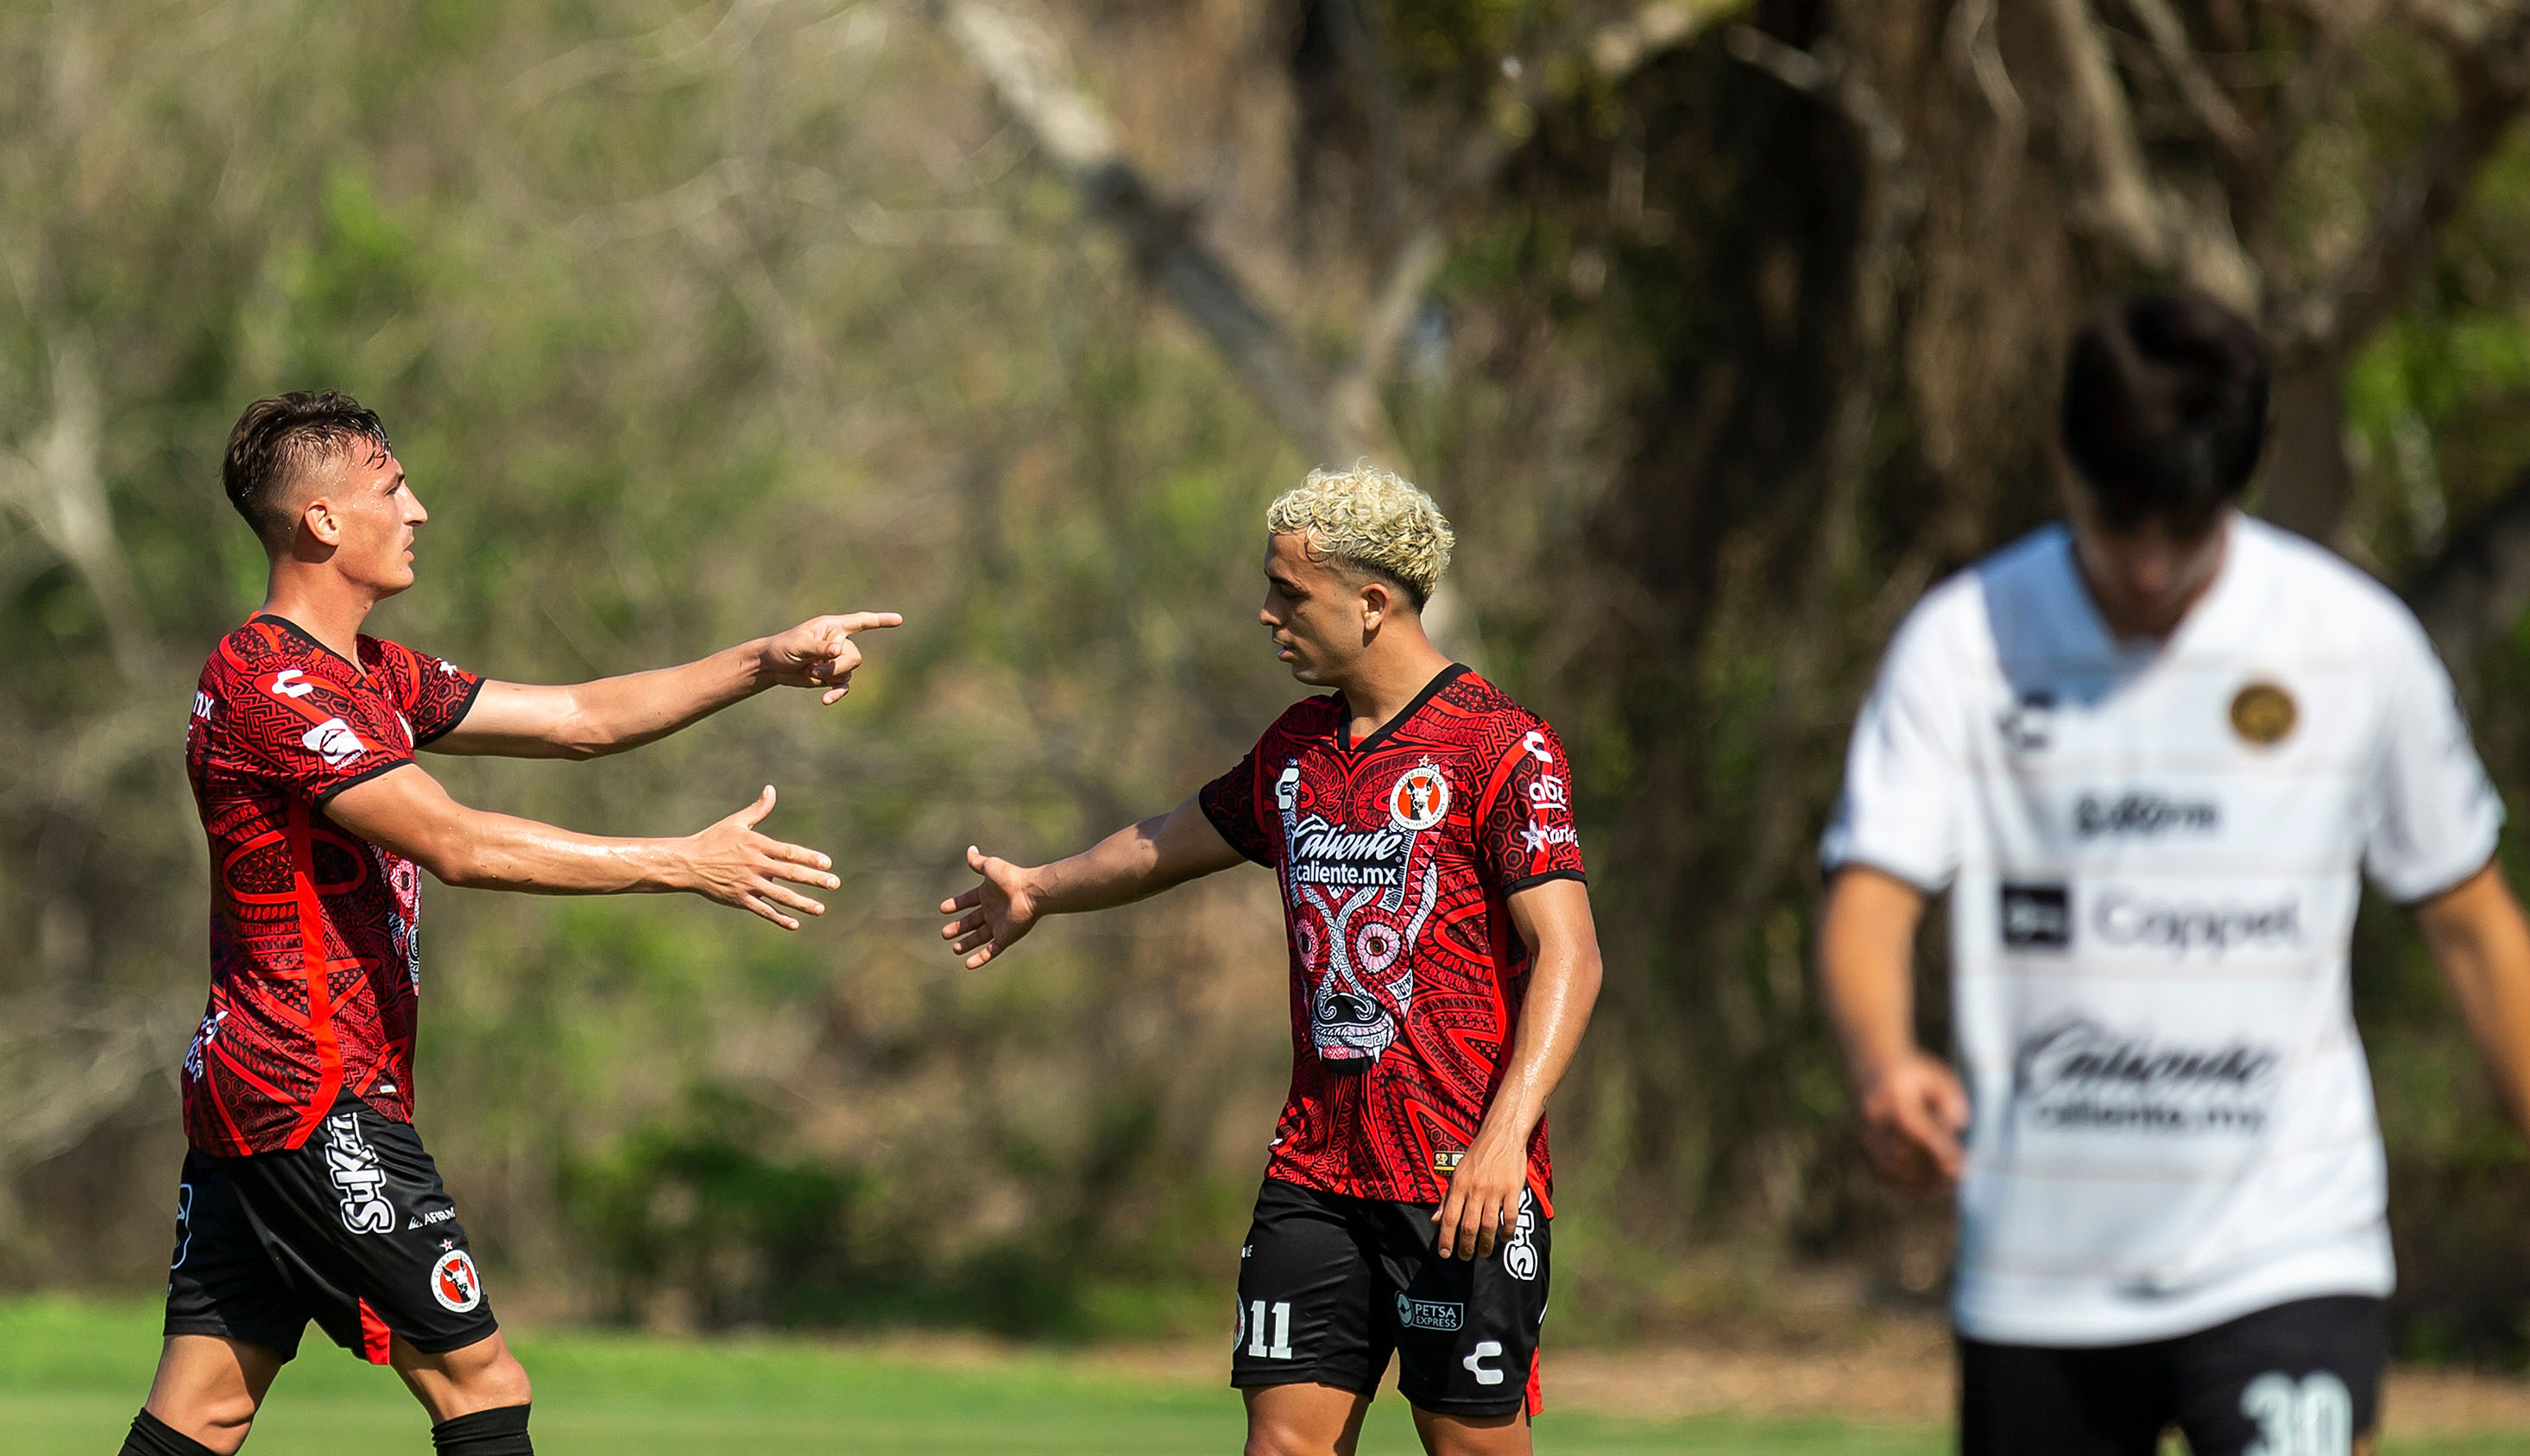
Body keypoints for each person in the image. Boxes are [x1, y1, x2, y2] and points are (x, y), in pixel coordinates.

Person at [1817, 293, 2530, 1455]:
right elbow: (1870, 898)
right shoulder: (1963, 643)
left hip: (2288, 1245)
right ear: (2064, 459)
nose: (2150, 565)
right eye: (2120, 522)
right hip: (2039, 1272)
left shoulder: (2355, 645)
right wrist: (1883, 1062)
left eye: (2186, 526)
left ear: (2248, 474)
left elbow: (2473, 926)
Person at [123, 392, 899, 1456]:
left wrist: (764, 660)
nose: (419, 510)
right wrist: (682, 861)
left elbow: (580, 719)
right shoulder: (274, 684)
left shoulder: (369, 673)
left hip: (263, 1089)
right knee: (481, 1383)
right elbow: (458, 842)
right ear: (323, 521)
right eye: (394, 488)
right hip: (310, 1091)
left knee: (204, 1409)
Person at [937, 464, 1602, 1456]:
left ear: (1371, 603)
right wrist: (1040, 886)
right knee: (1283, 1442)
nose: (1266, 613)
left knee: (1468, 1445)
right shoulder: (1297, 746)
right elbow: (1170, 838)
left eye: (1288, 592)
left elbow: (1571, 956)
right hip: (1316, 1171)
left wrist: (1505, 1138)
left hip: (1458, 1173)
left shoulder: (1500, 745)